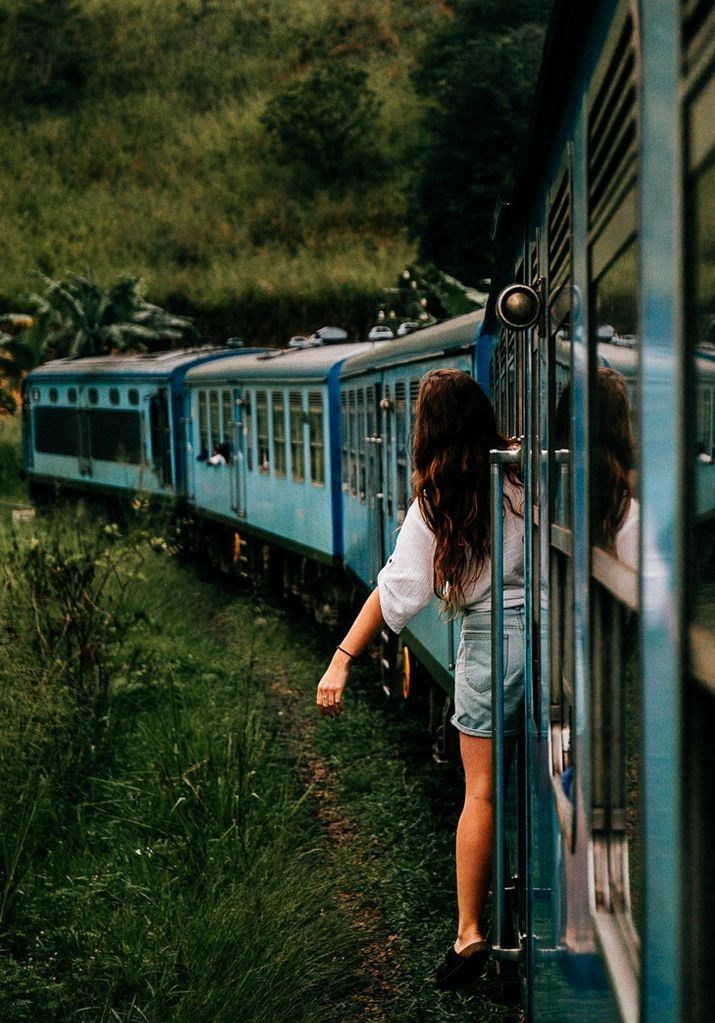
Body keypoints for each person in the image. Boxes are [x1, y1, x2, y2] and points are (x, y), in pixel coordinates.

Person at [315, 368, 525, 989]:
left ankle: (469, 936)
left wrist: (342, 659)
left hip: (490, 649)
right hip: (553, 640)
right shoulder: (524, 475)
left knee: (481, 793)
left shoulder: (435, 502)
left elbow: (397, 592)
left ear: (425, 433)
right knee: (552, 780)